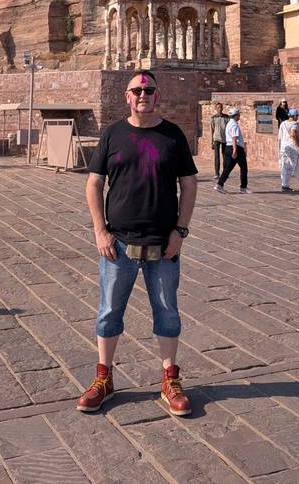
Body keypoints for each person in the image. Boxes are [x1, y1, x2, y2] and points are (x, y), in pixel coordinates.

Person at [78, 71, 197, 416]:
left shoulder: (172, 135)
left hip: (164, 243)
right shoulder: (113, 134)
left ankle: (169, 379)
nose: (143, 94)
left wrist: (180, 231)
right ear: (127, 97)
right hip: (118, 244)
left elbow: (189, 184)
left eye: (149, 90)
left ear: (157, 96)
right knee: (109, 312)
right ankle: (103, 378)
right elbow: (93, 184)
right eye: (137, 90)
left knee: (167, 312)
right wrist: (99, 230)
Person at [215, 108, 251, 194]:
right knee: (244, 168)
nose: (239, 116)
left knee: (228, 168)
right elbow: (234, 138)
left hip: (228, 147)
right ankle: (243, 187)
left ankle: (219, 185)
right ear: (235, 116)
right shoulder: (234, 125)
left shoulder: (229, 123)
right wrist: (235, 150)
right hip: (236, 148)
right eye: (238, 114)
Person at [277, 108, 299, 192]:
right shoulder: (295, 124)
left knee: (286, 167)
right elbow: (293, 134)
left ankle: (285, 185)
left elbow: (280, 137)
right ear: (294, 116)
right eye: (297, 116)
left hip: (284, 147)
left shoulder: (283, 123)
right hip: (293, 147)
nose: (297, 117)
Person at [209, 102, 228, 181]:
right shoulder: (213, 118)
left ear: (222, 108)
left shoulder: (226, 117)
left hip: (224, 139)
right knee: (216, 157)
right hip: (216, 139)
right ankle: (217, 173)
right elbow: (211, 130)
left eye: (221, 107)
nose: (220, 109)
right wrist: (211, 141)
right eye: (218, 107)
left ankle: (225, 172)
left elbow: (228, 129)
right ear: (216, 109)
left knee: (225, 156)